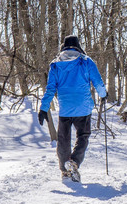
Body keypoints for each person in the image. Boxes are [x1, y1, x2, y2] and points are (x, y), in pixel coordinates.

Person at [38, 35, 107, 181]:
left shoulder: (56, 64)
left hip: (65, 109)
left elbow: (50, 89)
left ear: (64, 46)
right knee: (83, 136)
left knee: (63, 139)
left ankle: (64, 170)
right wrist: (103, 94)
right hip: (83, 107)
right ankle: (74, 162)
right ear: (78, 46)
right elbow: (98, 82)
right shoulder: (86, 61)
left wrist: (44, 108)